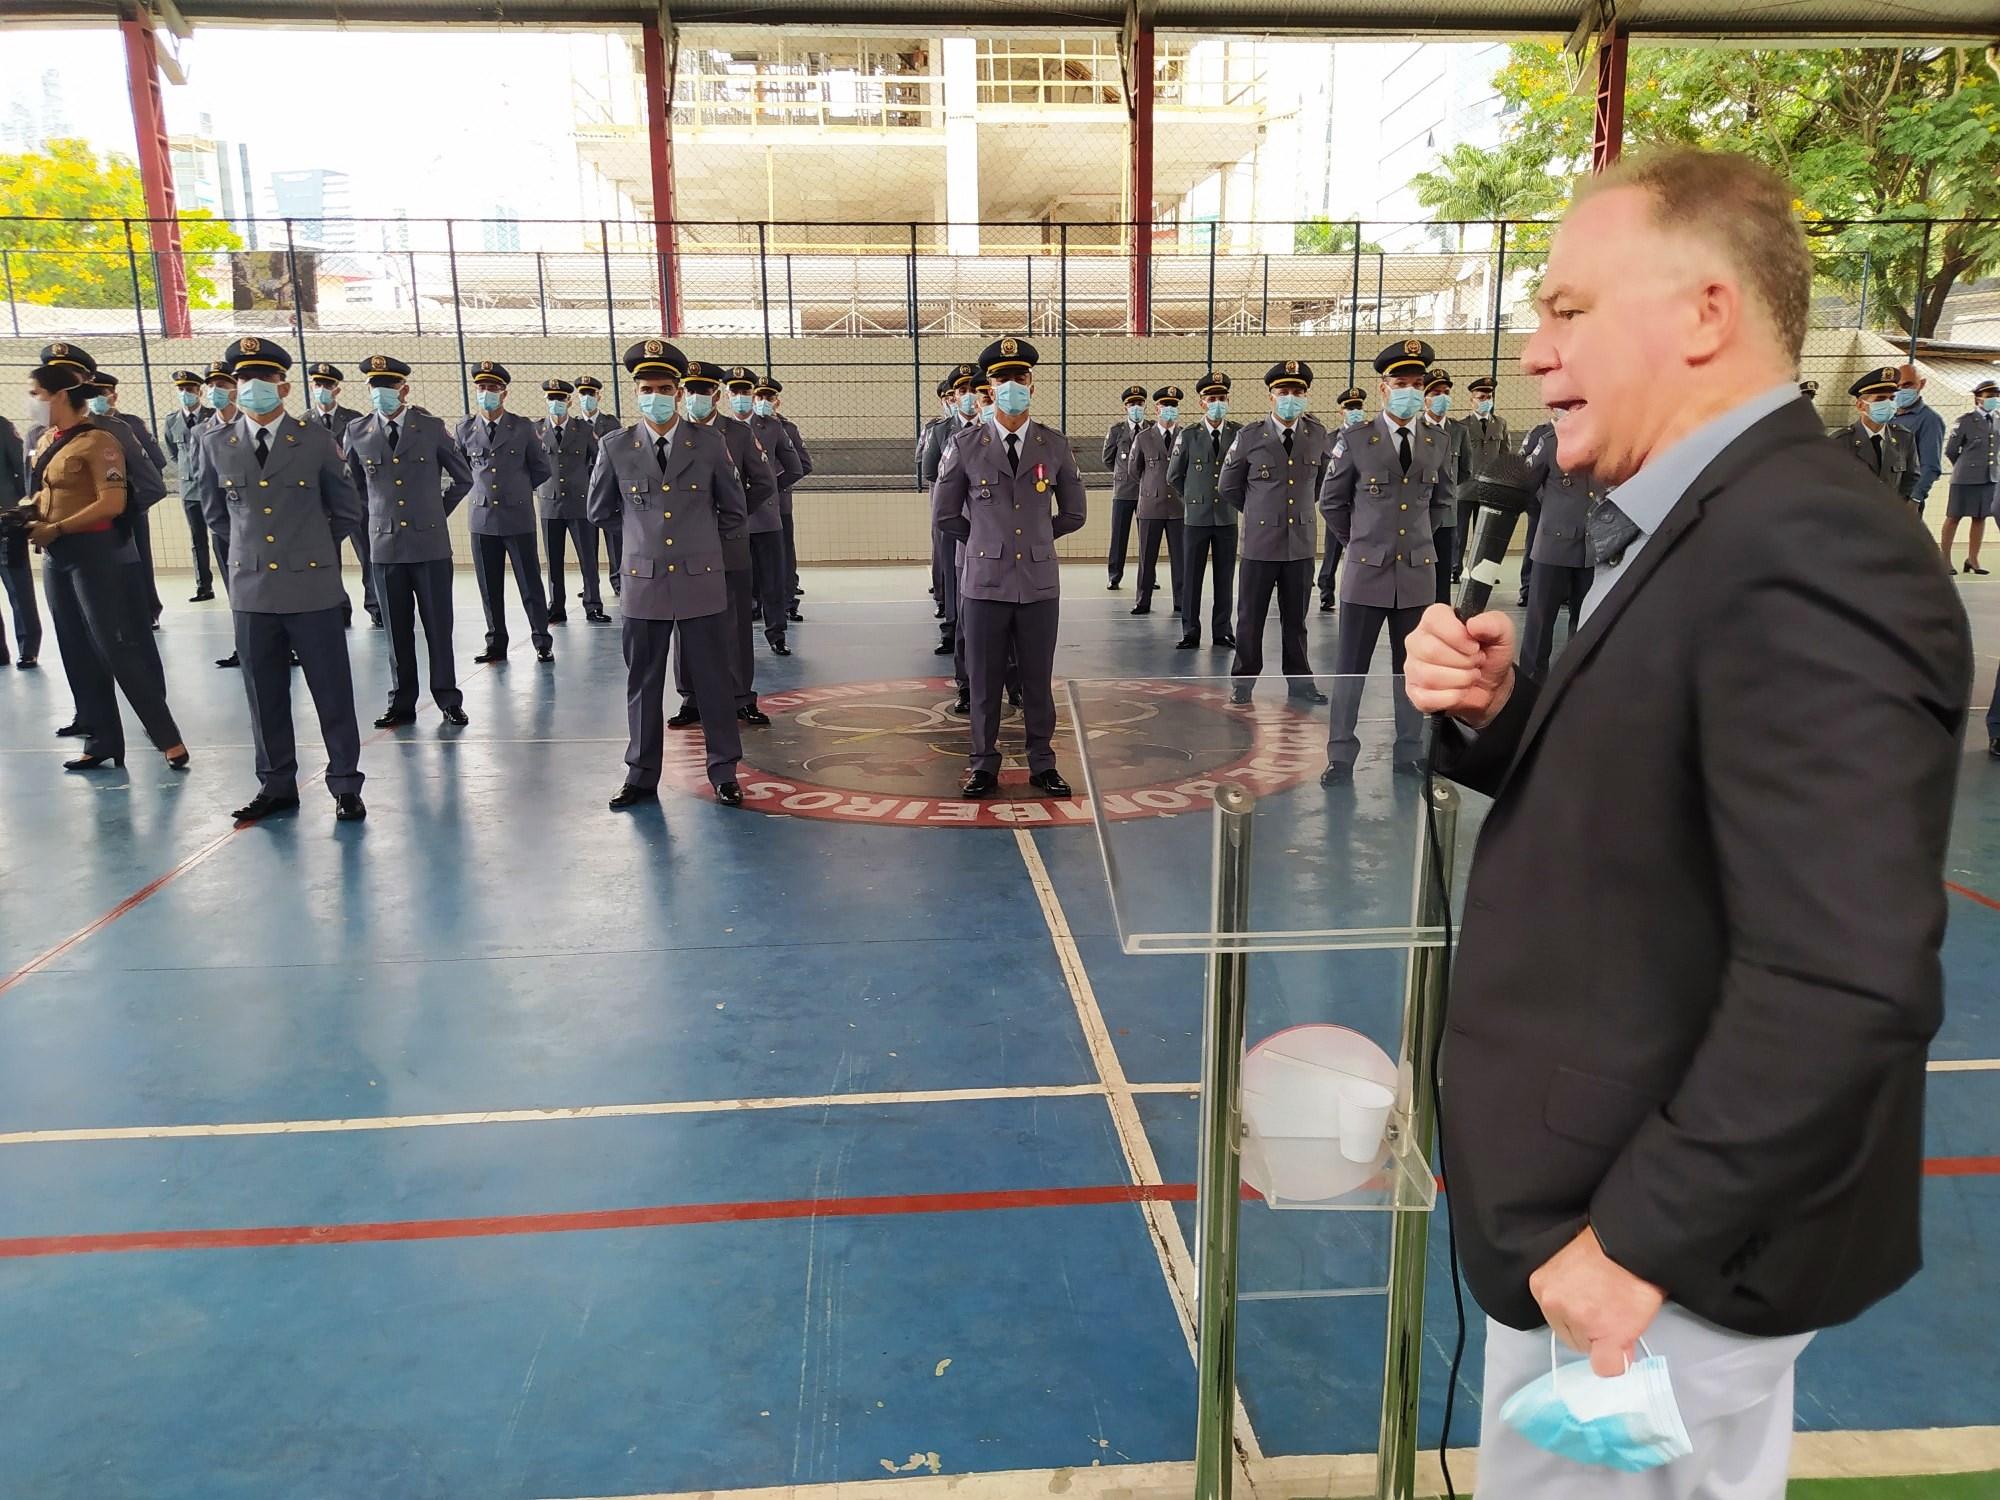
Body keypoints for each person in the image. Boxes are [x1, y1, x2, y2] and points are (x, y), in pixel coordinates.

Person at [1404, 148, 1968, 1500]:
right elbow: (1675, 802)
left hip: (1655, 1271)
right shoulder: (1703, 520)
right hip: (1616, 1230)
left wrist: (1629, 1253)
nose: (1537, 354)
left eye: (1569, 309)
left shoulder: (1808, 546)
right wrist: (1506, 712)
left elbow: (1845, 974)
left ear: (1707, 314)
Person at [192, 336, 367, 823]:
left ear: (284, 387)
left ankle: (346, 784)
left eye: (262, 379)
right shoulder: (214, 442)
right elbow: (216, 515)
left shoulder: (313, 438)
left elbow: (346, 510)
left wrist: (305, 548)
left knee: (331, 691)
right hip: (251, 590)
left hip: (312, 587)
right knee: (263, 693)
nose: (250, 387)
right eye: (243, 379)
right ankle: (276, 785)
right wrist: (254, 554)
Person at [587, 338, 749, 810]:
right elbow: (600, 511)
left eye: (662, 387)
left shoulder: (710, 443)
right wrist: (642, 541)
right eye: (645, 388)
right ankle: (640, 776)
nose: (653, 396)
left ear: (679, 393)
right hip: (643, 583)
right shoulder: (615, 446)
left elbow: (733, 513)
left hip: (701, 581)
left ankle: (724, 771)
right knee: (644, 681)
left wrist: (702, 549)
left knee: (714, 680)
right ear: (635, 392)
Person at [931, 336, 1086, 798]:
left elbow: (1075, 513)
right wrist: (985, 543)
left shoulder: (1054, 445)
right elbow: (944, 515)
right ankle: (983, 764)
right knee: (984, 681)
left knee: (1037, 681)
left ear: (1032, 385)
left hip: (1038, 585)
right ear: (988, 389)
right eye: (1002, 380)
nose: (1011, 386)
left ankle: (1043, 762)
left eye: (1019, 378)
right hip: (983, 584)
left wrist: (1038, 540)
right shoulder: (964, 444)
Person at [21, 342, 187, 771]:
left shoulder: (106, 436)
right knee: (75, 648)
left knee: (119, 647)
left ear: (62, 393)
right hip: (58, 555)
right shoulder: (42, 440)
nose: (32, 402)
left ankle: (166, 736)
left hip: (100, 552)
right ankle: (102, 738)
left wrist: (97, 530)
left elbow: (128, 496)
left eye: (37, 393)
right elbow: (44, 491)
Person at [1317, 338, 1453, 781]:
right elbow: (1332, 502)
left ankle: (1409, 751)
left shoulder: (1437, 440)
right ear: (1383, 388)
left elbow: (1441, 500)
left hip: (1416, 576)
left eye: (1417, 384)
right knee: (1350, 669)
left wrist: (1415, 543)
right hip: (1365, 574)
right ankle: (1340, 754)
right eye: (1400, 383)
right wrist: (1360, 544)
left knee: (1410, 669)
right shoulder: (1355, 439)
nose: (1409, 391)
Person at [344, 353, 475, 728]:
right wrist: (371, 517)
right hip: (384, 547)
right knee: (396, 630)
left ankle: (448, 698)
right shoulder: (357, 431)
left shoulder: (430, 427)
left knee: (438, 626)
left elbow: (462, 477)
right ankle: (402, 701)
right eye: (374, 386)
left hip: (430, 546)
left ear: (404, 389)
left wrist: (436, 511)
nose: (381, 392)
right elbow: (349, 485)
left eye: (387, 386)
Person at [669, 359, 780, 731]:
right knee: (685, 621)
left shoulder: (738, 434)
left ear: (716, 395)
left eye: (704, 390)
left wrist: (733, 514)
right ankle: (691, 698)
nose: (697, 397)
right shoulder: (672, 434)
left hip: (727, 542)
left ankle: (740, 697)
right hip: (683, 545)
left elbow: (763, 483)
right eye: (692, 390)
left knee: (734, 621)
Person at [1224, 360, 1333, 704]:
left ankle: (1300, 682)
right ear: (1270, 397)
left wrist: (1297, 511)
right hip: (1259, 544)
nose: (1290, 398)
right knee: (1250, 619)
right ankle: (1243, 683)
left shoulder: (1316, 435)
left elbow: (1323, 482)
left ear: (1306, 396)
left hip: (1299, 544)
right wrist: (1260, 511)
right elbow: (1229, 486)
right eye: (1283, 392)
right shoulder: (1250, 436)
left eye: (1297, 392)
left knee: (1296, 620)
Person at [456, 360, 555, 664]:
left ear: (504, 393)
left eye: (493, 388)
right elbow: (462, 470)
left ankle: (541, 640)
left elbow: (541, 469)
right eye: (482, 388)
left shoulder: (522, 427)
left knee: (530, 583)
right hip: (482, 519)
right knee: (489, 586)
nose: (487, 393)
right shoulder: (464, 428)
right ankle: (496, 643)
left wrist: (518, 491)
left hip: (517, 516)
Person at [1518, 411, 1603, 680]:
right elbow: (1524, 487)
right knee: (1540, 628)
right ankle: (1531, 690)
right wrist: (1546, 517)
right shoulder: (1550, 442)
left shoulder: (1605, 439)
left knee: (1587, 624)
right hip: (1552, 550)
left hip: (1593, 550)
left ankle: (1576, 685)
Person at [90, 373, 169, 629]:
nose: (98, 399)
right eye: (93, 393)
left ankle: (149, 609)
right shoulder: (85, 426)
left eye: (103, 393)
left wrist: (131, 491)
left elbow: (157, 460)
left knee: (138, 560)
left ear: (114, 396)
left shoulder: (129, 424)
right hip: (95, 507)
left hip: (131, 504)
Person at [1167, 372, 1240, 651]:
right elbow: (1174, 475)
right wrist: (1193, 498)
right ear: (1201, 403)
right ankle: (1190, 631)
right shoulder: (1188, 436)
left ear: (1228, 400)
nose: (1217, 403)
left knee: (1225, 578)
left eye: (1221, 398)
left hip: (1226, 517)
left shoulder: (1238, 433)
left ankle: (1222, 630)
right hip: (1196, 519)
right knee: (1192, 577)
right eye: (1211, 399)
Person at [303, 362, 375, 627]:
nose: (322, 389)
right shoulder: (302, 422)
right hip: (320, 505)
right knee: (327, 560)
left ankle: (375, 606)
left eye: (327, 385)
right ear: (312, 387)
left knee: (368, 556)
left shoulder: (354, 419)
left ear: (337, 389)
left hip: (354, 499)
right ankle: (338, 609)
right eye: (318, 384)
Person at [739, 370, 806, 654]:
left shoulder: (773, 428)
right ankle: (736, 635)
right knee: (737, 580)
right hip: (732, 517)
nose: (748, 400)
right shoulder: (718, 429)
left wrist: (766, 489)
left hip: (766, 516)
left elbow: (796, 467)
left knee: (772, 578)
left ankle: (776, 633)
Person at [534, 377, 607, 624]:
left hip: (579, 502)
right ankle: (556, 606)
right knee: (553, 559)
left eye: (561, 399)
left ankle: (593, 604)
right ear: (545, 400)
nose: (556, 403)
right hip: (549, 503)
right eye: (551, 398)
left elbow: (600, 462)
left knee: (588, 557)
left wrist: (591, 488)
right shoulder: (536, 430)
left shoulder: (584, 429)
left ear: (569, 400)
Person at [923, 364, 983, 657]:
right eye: (962, 391)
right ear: (953, 397)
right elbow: (931, 472)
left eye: (974, 390)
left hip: (986, 515)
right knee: (950, 570)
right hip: (953, 513)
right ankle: (951, 630)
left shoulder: (993, 427)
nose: (969, 396)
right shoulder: (939, 431)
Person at [1127, 384, 1184, 617]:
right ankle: (1143, 600)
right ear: (1157, 408)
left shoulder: (1185, 435)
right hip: (1150, 506)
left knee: (1180, 558)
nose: (1169, 409)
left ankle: (1181, 600)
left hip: (1178, 507)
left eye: (1173, 406)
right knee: (1146, 557)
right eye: (1165, 405)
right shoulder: (1143, 437)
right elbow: (1134, 469)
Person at [160, 367, 216, 602]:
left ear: (199, 391)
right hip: (190, 489)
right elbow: (174, 453)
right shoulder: (172, 420)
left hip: (213, 487)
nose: (185, 393)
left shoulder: (212, 416)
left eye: (189, 389)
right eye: (181, 389)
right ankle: (203, 586)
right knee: (197, 540)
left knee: (222, 537)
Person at [1452, 375, 1512, 586]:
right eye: (1480, 397)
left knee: (1487, 534)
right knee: (1459, 533)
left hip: (1490, 489)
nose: (1485, 400)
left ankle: (1482, 571)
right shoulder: (1462, 426)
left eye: (1488, 396)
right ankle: (1455, 569)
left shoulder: (1500, 424)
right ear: (1472, 401)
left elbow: (1505, 456)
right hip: (1465, 488)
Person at [1421, 368, 1473, 605]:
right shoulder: (1414, 428)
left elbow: (1464, 471)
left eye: (1446, 392)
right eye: (1435, 392)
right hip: (1417, 514)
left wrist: (1445, 491)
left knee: (1442, 577)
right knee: (1418, 574)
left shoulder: (1459, 431)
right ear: (1424, 397)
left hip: (1446, 516)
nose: (1442, 397)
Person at [1940, 379, 1999, 576]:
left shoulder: (1998, 419)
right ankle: (1945, 559)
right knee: (1954, 517)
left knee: (1980, 517)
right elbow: (1951, 450)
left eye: (1997, 396)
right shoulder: (1965, 420)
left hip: (1988, 477)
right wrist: (1964, 466)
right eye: (1990, 396)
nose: (1994, 400)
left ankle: (1973, 559)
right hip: (1964, 477)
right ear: (1978, 399)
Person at [1830, 368, 1913, 499]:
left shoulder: (1903, 437)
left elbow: (1911, 480)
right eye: (1880, 399)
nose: (1888, 403)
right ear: (1861, 405)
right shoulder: (1840, 442)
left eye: (1892, 398)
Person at [1319, 385, 1367, 611]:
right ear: (1341, 412)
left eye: (1358, 407)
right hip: (1338, 503)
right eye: (1350, 408)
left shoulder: (1370, 438)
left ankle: (1358, 592)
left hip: (1361, 504)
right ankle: (1326, 591)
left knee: (1358, 550)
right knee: (1332, 550)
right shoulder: (1329, 439)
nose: (1355, 411)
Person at [574, 374, 623, 591]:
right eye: (583, 394)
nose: (586, 398)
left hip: (608, 489)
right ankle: (590, 585)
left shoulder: (610, 422)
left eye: (590, 394)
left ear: (598, 396)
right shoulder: (572, 426)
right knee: (587, 543)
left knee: (614, 539)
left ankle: (618, 581)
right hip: (582, 490)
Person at [2, 412, 41, 669]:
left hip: (5, 520)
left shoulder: (1, 426)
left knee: (18, 587)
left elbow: (23, 469)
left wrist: (19, 509)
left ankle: (28, 648)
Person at [772, 385, 812, 619]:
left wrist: (773, 486)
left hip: (778, 502)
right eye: (759, 396)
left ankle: (787, 601)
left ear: (778, 401)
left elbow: (803, 464)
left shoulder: (787, 429)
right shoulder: (736, 430)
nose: (763, 401)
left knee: (783, 551)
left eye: (769, 397)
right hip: (743, 506)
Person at [1103, 383, 1147, 590]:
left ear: (1145, 405)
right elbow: (1108, 458)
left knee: (1148, 538)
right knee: (1119, 536)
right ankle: (1114, 575)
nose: (1135, 407)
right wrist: (1123, 474)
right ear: (1125, 407)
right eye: (1132, 404)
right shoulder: (1116, 430)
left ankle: (1149, 576)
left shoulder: (1151, 429)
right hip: (1122, 492)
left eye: (1139, 403)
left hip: (1147, 492)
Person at [1891, 362, 1947, 514]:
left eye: (1907, 385)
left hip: (1905, 498)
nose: (1901, 390)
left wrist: (1915, 499)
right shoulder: (1887, 416)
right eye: (1897, 386)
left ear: (1921, 384)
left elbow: (1930, 466)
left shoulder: (1929, 420)